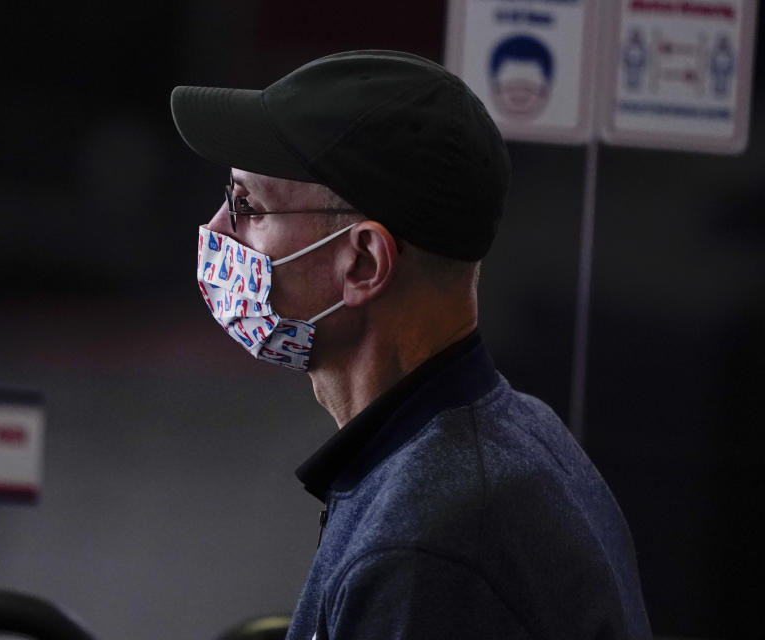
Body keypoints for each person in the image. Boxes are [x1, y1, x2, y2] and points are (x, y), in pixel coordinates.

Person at [172, 50, 651, 640]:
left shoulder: (425, 545)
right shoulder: (510, 437)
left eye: (248, 205)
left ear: (365, 261)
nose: (218, 229)